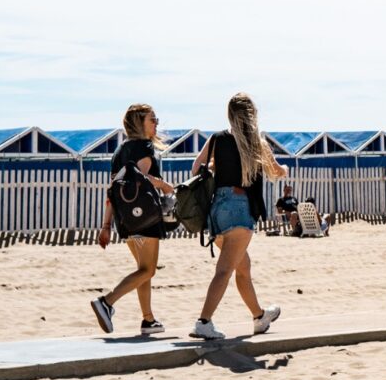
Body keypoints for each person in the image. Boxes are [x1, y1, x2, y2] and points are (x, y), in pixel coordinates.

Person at [189, 93, 287, 340]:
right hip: (239, 207)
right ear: (252, 114)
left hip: (217, 209)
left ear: (230, 114)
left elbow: (195, 168)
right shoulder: (257, 142)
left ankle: (259, 316)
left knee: (242, 267)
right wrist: (284, 169)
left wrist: (217, 167)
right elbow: (276, 172)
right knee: (224, 271)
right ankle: (203, 322)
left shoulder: (217, 139)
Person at [91, 103, 175, 337]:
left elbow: (113, 190)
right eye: (152, 119)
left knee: (142, 270)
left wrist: (106, 225)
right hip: (145, 216)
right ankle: (106, 302)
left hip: (125, 220)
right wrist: (165, 186)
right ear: (139, 122)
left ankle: (148, 320)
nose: (156, 123)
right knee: (148, 270)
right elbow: (141, 179)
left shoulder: (119, 152)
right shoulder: (145, 147)